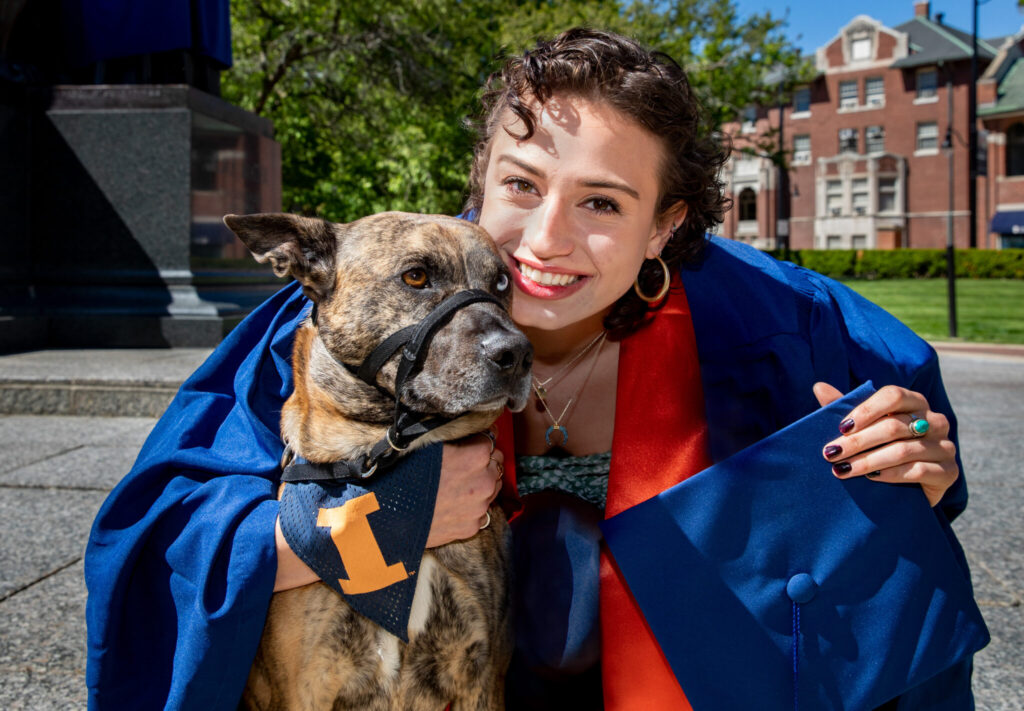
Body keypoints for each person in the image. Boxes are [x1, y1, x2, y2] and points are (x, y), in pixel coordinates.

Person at [85, 28, 977, 711]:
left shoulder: (781, 325)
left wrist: (914, 460)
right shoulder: (353, 317)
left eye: (601, 202)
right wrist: (378, 524)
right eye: (521, 185)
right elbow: (163, 540)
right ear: (480, 178)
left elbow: (905, 498)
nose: (545, 240)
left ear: (664, 225)